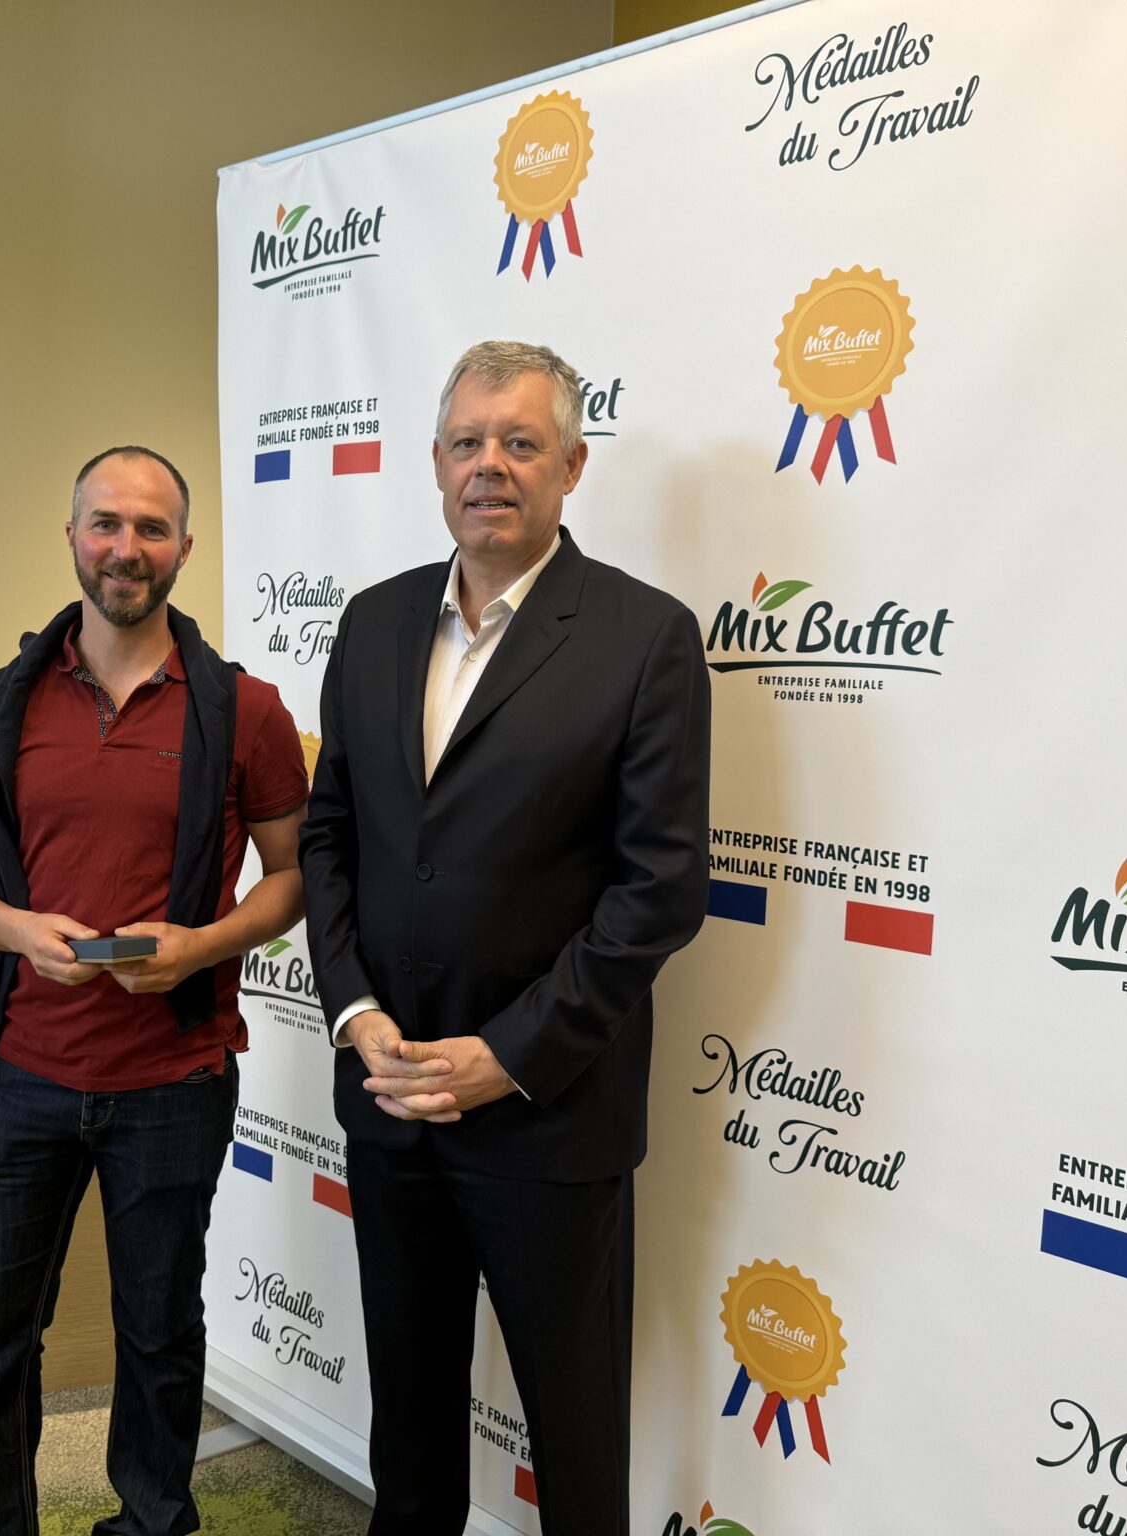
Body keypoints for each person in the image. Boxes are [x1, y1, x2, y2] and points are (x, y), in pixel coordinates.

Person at [298, 341, 710, 1535]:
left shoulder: (643, 637)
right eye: (468, 442)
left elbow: (658, 890)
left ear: (569, 467)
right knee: (409, 1431)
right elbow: (330, 838)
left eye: (520, 443)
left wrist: (506, 1055)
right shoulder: (372, 624)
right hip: (387, 1099)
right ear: (434, 464)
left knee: (573, 1442)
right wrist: (356, 1014)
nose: (490, 465)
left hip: (546, 1118)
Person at [0, 444, 309, 1536]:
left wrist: (200, 948)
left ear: (184, 547)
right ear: (72, 537)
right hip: (19, 1080)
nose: (125, 548)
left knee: (158, 1338)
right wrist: (19, 931)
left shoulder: (245, 712)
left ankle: (149, 1525)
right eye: (105, 523)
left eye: (149, 528)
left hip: (172, 1082)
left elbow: (293, 880)